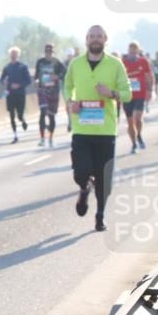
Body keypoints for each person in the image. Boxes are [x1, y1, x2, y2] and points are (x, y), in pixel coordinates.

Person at [64, 26, 131, 232]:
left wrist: (110, 92)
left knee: (104, 179)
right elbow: (67, 87)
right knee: (80, 173)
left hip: (105, 131)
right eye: (92, 36)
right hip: (82, 129)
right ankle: (84, 189)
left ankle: (100, 215)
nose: (95, 39)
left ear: (105, 40)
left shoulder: (115, 64)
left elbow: (127, 93)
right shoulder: (76, 64)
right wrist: (70, 102)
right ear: (86, 40)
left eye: (99, 36)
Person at [121, 41, 156, 154]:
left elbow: (150, 75)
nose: (132, 51)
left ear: (138, 50)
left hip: (140, 94)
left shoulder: (143, 61)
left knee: (138, 118)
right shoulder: (123, 62)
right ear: (128, 50)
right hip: (127, 95)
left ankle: (139, 135)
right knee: (130, 122)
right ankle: (134, 144)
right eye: (130, 49)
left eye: (134, 49)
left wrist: (150, 90)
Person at [33, 44, 66, 148]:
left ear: (53, 52)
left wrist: (57, 76)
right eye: (46, 51)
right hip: (42, 90)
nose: (48, 53)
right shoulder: (40, 62)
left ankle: (51, 138)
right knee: (42, 113)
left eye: (50, 51)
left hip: (53, 91)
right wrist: (36, 81)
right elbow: (36, 75)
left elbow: (65, 72)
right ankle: (42, 139)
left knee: (51, 116)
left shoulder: (57, 62)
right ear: (44, 52)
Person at [1, 47, 31, 143]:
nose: (13, 56)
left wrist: (19, 85)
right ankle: (15, 135)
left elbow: (28, 80)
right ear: (10, 55)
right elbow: (2, 79)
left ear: (18, 55)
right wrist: (4, 81)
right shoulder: (7, 67)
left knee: (19, 115)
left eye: (15, 54)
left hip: (20, 94)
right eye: (12, 54)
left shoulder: (23, 67)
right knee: (11, 115)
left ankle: (23, 121)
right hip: (10, 94)